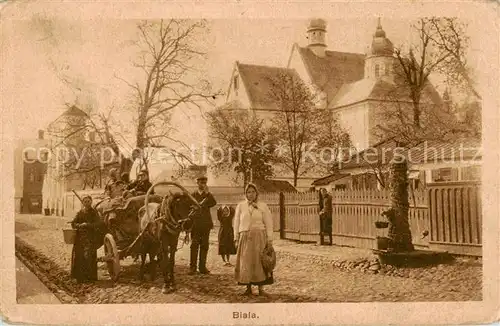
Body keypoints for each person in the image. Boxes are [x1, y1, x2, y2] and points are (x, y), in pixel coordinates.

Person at [233, 183, 274, 296]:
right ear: (245, 194)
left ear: (256, 193)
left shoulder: (263, 206)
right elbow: (236, 222)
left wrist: (269, 239)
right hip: (245, 237)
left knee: (260, 263)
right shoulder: (241, 206)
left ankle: (261, 288)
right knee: (246, 262)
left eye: (253, 192)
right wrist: (236, 237)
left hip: (259, 237)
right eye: (248, 192)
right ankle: (248, 288)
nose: (250, 194)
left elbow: (269, 223)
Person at [70, 195, 104, 283]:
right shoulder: (80, 212)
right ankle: (80, 277)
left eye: (88, 201)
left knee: (90, 257)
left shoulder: (94, 212)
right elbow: (73, 223)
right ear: (83, 203)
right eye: (85, 202)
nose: (87, 203)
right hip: (80, 238)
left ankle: (90, 277)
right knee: (80, 256)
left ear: (91, 202)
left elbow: (98, 224)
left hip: (90, 238)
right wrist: (79, 225)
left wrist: (88, 225)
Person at [189, 176, 217, 275]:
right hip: (195, 224)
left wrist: (207, 194)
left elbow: (214, 203)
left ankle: (202, 267)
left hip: (205, 224)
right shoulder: (192, 195)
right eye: (201, 182)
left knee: (204, 246)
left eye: (204, 183)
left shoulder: (208, 195)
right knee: (194, 245)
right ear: (197, 183)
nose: (203, 184)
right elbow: (189, 206)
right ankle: (192, 268)